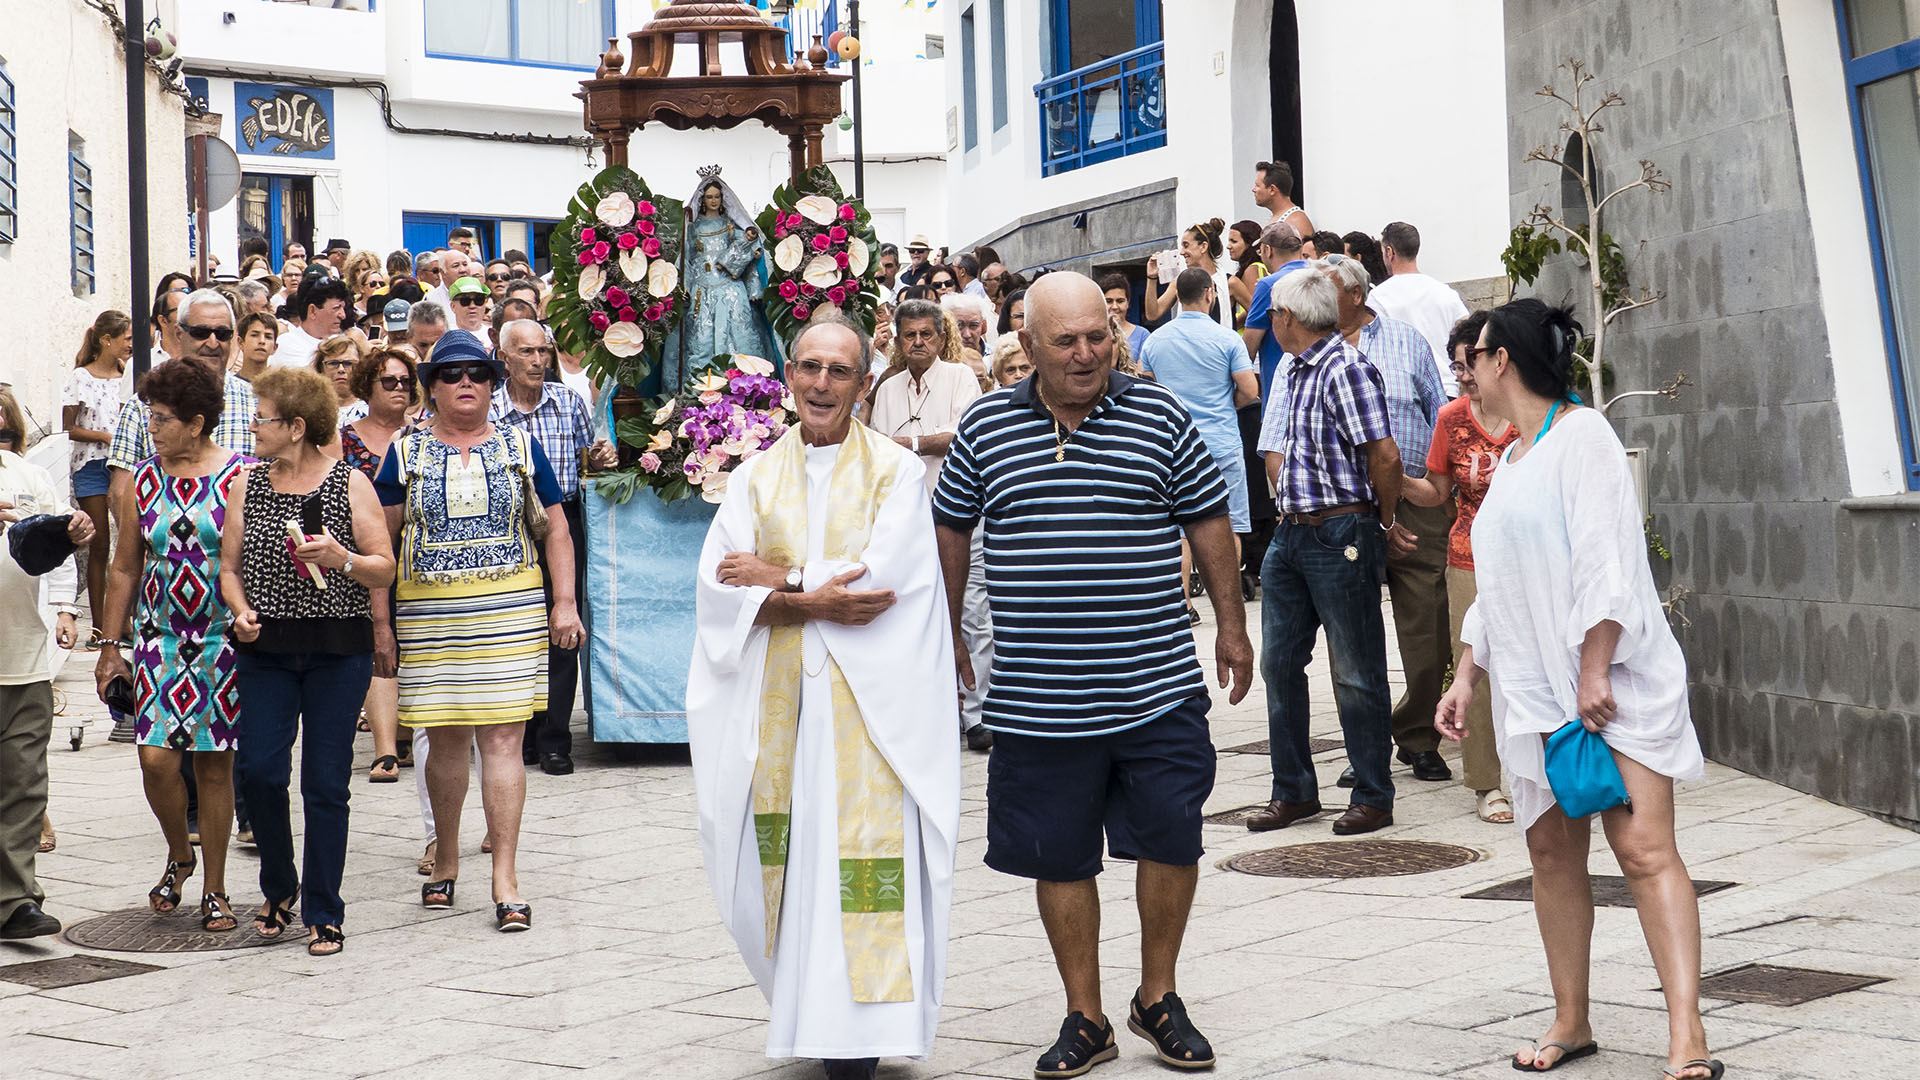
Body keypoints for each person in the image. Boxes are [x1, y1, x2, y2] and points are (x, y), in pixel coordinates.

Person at [932, 272, 1252, 1077]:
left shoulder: (1160, 415)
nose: (1085, 354)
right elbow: (952, 530)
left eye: (1098, 337)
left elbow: (1209, 520)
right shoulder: (985, 428)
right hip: (1039, 694)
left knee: (1172, 837)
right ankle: (1086, 1015)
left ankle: (1158, 996)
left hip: (1155, 683)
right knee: (1057, 853)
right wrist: (948, 633)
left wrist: (1234, 626)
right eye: (1065, 341)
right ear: (1027, 344)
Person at [1435, 299, 1719, 1080]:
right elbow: (1500, 587)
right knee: (1550, 853)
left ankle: (1687, 1033)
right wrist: (1467, 675)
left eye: (1474, 354)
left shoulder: (1581, 435)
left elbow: (1608, 563)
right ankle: (1573, 1018)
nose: (1465, 369)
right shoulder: (1514, 459)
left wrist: (1595, 665)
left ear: (1505, 360)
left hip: (1609, 684)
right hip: (1536, 694)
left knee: (1642, 849)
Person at [688, 319, 959, 1080]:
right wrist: (810, 595)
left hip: (866, 713)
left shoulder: (896, 474)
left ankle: (865, 1031)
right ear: (787, 375)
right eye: (809, 367)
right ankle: (809, 1015)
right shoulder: (752, 477)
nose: (822, 384)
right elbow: (717, 590)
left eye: (840, 372)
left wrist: (778, 581)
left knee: (861, 866)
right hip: (783, 714)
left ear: (863, 384)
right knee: (796, 866)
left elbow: (874, 587)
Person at [374, 329, 582, 933]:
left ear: (493, 384)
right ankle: (445, 858)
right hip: (430, 620)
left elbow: (558, 532)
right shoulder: (405, 455)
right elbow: (381, 544)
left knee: (503, 741)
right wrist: (381, 626)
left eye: (478, 373)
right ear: (431, 388)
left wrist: (563, 604)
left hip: (509, 615)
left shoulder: (520, 446)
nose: (466, 383)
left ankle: (505, 876)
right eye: (450, 374)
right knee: (442, 742)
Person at [219, 368, 394, 957]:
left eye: (262, 417)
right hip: (265, 649)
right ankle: (278, 886)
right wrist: (239, 610)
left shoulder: (349, 483)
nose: (252, 426)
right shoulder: (248, 484)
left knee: (324, 783)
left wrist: (342, 558)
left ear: (296, 427)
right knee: (260, 773)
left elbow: (384, 567)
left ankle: (324, 908)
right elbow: (229, 570)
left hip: (337, 651)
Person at [94, 357, 250, 933]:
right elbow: (125, 566)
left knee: (214, 767)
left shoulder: (240, 476)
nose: (152, 427)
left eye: (161, 419)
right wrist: (112, 645)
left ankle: (214, 887)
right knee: (156, 759)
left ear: (196, 422)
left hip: (221, 640)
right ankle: (178, 852)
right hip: (161, 640)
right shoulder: (141, 479)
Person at [1249, 267, 1403, 836]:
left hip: (1340, 532)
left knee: (1356, 667)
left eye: (1273, 313)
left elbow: (1384, 456)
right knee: (1280, 663)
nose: (1271, 320)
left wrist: (1381, 524)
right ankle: (1293, 791)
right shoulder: (1295, 367)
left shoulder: (1345, 368)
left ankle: (1372, 793)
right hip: (1292, 531)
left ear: (1288, 318)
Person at [1320, 254, 1451, 788]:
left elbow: (1437, 411)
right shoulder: (1310, 351)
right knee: (1353, 637)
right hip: (1345, 510)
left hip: (1416, 499)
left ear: (1354, 294)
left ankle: (1418, 734)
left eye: (1325, 292)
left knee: (1430, 630)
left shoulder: (1405, 341)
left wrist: (1443, 492)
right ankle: (1365, 746)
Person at [490, 319, 616, 776]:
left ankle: (555, 740)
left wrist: (599, 457)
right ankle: (520, 732)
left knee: (563, 627)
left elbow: (588, 462)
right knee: (516, 629)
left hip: (565, 521)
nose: (539, 360)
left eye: (544, 351)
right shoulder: (490, 410)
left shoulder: (569, 402)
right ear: (504, 358)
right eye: (527, 352)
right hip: (508, 528)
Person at [1404, 311, 1514, 823]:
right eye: (1456, 366)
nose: (1464, 374)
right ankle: (1487, 784)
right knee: (1477, 669)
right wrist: (1394, 478)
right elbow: (1437, 492)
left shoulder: (1532, 415)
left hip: (1527, 557)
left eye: (1469, 362)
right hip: (1468, 556)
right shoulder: (1450, 419)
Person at [867, 299, 989, 752]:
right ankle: (927, 711)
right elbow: (872, 448)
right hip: (906, 517)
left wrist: (905, 443)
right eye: (909, 335)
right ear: (898, 340)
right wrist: (918, 444)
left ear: (941, 337)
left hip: (959, 512)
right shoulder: (888, 385)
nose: (918, 342)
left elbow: (959, 436)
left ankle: (978, 715)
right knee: (914, 611)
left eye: (926, 334)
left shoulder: (960, 376)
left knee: (972, 612)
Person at [0, 394, 92, 939]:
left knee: (25, 785)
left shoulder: (31, 478)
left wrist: (64, 608)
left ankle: (15, 901)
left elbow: (55, 548)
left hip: (25, 656)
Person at [1138, 268, 1260, 621]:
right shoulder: (1226, 339)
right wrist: (1226, 403)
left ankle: (1184, 602)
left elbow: (1149, 392)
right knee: (1231, 521)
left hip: (1176, 446)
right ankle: (1229, 599)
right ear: (1210, 294)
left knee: (1180, 527)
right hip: (1221, 440)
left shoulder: (1156, 341)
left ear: (1177, 294)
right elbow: (1249, 390)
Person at [342, 347, 419, 784]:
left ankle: (406, 733)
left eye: (405, 381)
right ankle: (385, 748)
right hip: (362, 556)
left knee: (408, 639)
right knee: (378, 639)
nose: (398, 388)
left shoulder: (422, 436)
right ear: (367, 386)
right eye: (388, 381)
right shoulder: (344, 438)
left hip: (413, 554)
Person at [64, 310, 132, 640]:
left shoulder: (129, 375)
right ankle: (100, 624)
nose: (132, 345)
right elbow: (69, 427)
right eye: (127, 339)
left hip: (123, 465)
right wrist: (103, 436)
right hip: (91, 465)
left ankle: (128, 619)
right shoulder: (81, 377)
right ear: (107, 340)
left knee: (131, 540)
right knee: (100, 541)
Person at [676, 168, 775, 386]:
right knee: (701, 342)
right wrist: (683, 286)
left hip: (731, 291)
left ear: (723, 199)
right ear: (703, 199)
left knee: (739, 339)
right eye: (709, 196)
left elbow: (748, 249)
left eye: (717, 196)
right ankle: (700, 392)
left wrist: (749, 245)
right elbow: (686, 260)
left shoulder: (730, 225)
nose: (713, 200)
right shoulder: (692, 227)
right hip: (702, 292)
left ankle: (744, 388)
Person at [1369, 221, 1468, 395]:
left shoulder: (1379, 297)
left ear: (1389, 252)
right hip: (1447, 389)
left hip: (1406, 393)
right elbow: (1468, 335)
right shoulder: (1446, 293)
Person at [1240, 222, 1311, 396]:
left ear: (1268, 250)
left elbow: (1249, 348)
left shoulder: (1268, 285)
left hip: (1280, 389)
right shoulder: (1321, 276)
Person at [1144, 219, 1233, 331]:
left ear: (1203, 247)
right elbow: (1153, 314)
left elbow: (1256, 316)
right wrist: (1151, 277)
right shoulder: (1180, 282)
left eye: (1186, 245)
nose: (1182, 252)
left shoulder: (1229, 282)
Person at [276, 277, 350, 370]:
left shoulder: (342, 343)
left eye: (343, 308)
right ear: (312, 311)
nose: (343, 315)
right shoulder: (287, 344)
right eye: (336, 308)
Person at [314, 334, 369, 426]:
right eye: (333, 363)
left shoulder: (372, 409)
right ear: (321, 368)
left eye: (348, 363)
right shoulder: (310, 409)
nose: (341, 369)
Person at [1253, 159, 1313, 236]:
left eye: (1257, 185)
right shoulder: (1278, 218)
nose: (1253, 190)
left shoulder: (1295, 222)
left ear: (1272, 189)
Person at [1225, 220, 1267, 327]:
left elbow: (1254, 309)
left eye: (1234, 241)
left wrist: (1231, 324)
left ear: (1249, 244)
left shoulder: (1253, 269)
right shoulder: (1251, 268)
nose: (1228, 246)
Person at [1099, 273, 1148, 359]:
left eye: (1120, 301)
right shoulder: (1094, 334)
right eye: (1109, 301)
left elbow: (1143, 371)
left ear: (1128, 303)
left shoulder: (1142, 336)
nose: (1114, 307)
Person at [235, 312, 279, 382]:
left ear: (274, 347)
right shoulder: (228, 386)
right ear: (241, 342)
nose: (262, 341)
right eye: (254, 335)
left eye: (268, 337)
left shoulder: (281, 389)